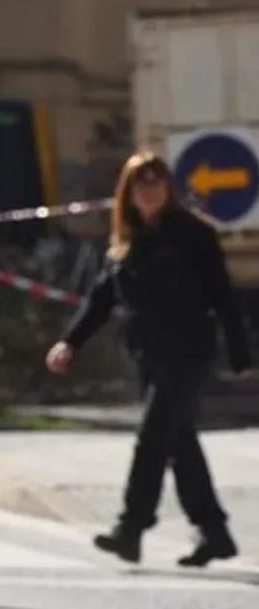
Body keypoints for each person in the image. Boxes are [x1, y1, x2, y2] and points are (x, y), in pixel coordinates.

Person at [45, 150, 252, 567]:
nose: (150, 191)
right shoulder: (125, 240)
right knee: (180, 443)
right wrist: (70, 341)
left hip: (188, 350)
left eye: (157, 183)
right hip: (148, 353)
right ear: (129, 192)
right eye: (142, 184)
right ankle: (214, 532)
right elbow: (101, 298)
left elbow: (221, 294)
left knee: (153, 439)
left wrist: (238, 351)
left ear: (168, 189)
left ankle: (131, 527)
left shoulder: (194, 234)